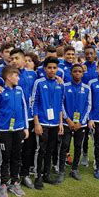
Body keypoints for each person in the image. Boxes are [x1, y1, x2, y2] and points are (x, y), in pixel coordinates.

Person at [0, 66, 29, 197]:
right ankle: (3, 185)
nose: (18, 78)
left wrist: (26, 127)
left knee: (16, 157)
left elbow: (24, 109)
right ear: (8, 77)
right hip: (4, 131)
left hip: (18, 130)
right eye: (16, 76)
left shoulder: (19, 90)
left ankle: (14, 183)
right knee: (4, 158)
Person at [31, 57, 64, 189]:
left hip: (55, 123)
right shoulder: (39, 83)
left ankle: (46, 174)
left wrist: (60, 123)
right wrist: (37, 123)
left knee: (50, 150)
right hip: (42, 123)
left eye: (54, 68)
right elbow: (34, 103)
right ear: (44, 69)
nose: (52, 70)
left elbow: (61, 104)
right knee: (41, 149)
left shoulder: (59, 83)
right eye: (49, 67)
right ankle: (37, 176)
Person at [9, 49, 37, 189]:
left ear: (23, 59)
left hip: (29, 118)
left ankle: (25, 174)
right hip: (12, 120)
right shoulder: (6, 75)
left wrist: (58, 78)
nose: (13, 61)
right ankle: (11, 176)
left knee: (28, 148)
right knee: (13, 150)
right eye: (11, 58)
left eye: (16, 58)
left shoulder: (33, 74)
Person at [60, 64, 91, 181]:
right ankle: (61, 170)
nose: (77, 73)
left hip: (80, 124)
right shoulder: (64, 86)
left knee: (78, 146)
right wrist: (67, 119)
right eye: (75, 71)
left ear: (83, 73)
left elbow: (88, 105)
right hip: (67, 123)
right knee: (64, 146)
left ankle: (74, 169)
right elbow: (61, 104)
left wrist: (81, 121)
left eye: (79, 71)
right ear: (71, 73)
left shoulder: (87, 88)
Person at [81, 46, 98, 166]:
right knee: (84, 134)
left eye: (91, 53)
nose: (89, 56)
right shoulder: (81, 68)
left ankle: (98, 156)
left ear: (95, 54)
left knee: (96, 134)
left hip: (97, 105)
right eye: (87, 54)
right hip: (84, 105)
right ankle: (85, 155)